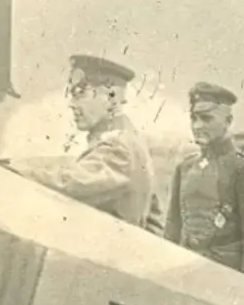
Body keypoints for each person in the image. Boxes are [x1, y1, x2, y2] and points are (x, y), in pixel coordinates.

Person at [11, 55, 155, 227]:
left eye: (80, 93)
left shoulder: (118, 146)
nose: (72, 104)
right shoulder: (126, 139)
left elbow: (71, 182)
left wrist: (14, 170)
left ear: (111, 96)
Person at [163, 82, 244, 279]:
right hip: (187, 271)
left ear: (228, 121)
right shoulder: (186, 167)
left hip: (227, 276)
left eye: (206, 118)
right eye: (193, 118)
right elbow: (173, 228)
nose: (197, 126)